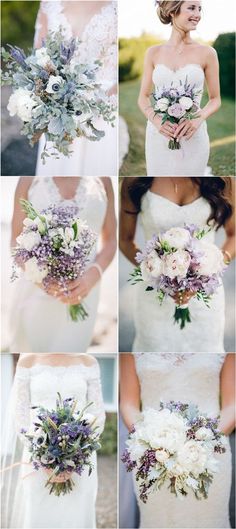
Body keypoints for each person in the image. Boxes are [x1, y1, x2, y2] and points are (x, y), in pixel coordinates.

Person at [120, 352, 235, 529]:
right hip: (153, 456)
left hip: (210, 454)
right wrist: (150, 439)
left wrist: (205, 440)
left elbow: (232, 404)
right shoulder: (129, 350)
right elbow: (129, 403)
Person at [119, 177, 235, 352]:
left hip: (205, 298)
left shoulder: (222, 179)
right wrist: (154, 272)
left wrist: (208, 271)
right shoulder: (134, 181)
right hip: (154, 298)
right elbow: (125, 240)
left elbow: (234, 235)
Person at [10, 176, 116, 352]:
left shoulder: (103, 179)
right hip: (36, 292)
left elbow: (111, 240)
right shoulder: (29, 179)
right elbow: (15, 239)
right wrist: (40, 279)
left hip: (85, 291)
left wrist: (92, 276)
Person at [2, 353, 106, 529]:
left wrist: (76, 456)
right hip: (37, 454)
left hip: (81, 456)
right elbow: (20, 415)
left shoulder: (87, 362)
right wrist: (41, 453)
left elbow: (98, 415)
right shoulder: (28, 360)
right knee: (40, 512)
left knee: (76, 513)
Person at [34, 1, 117, 176]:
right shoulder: (49, 4)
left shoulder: (117, 6)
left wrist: (90, 107)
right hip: (55, 110)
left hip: (103, 110)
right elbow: (38, 57)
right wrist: (51, 102)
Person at [138, 1, 221, 176]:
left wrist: (198, 118)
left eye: (200, 9)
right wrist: (156, 121)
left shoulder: (207, 53)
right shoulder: (153, 53)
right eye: (191, 8)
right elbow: (143, 97)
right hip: (159, 135)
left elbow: (215, 100)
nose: (197, 14)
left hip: (192, 134)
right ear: (172, 11)